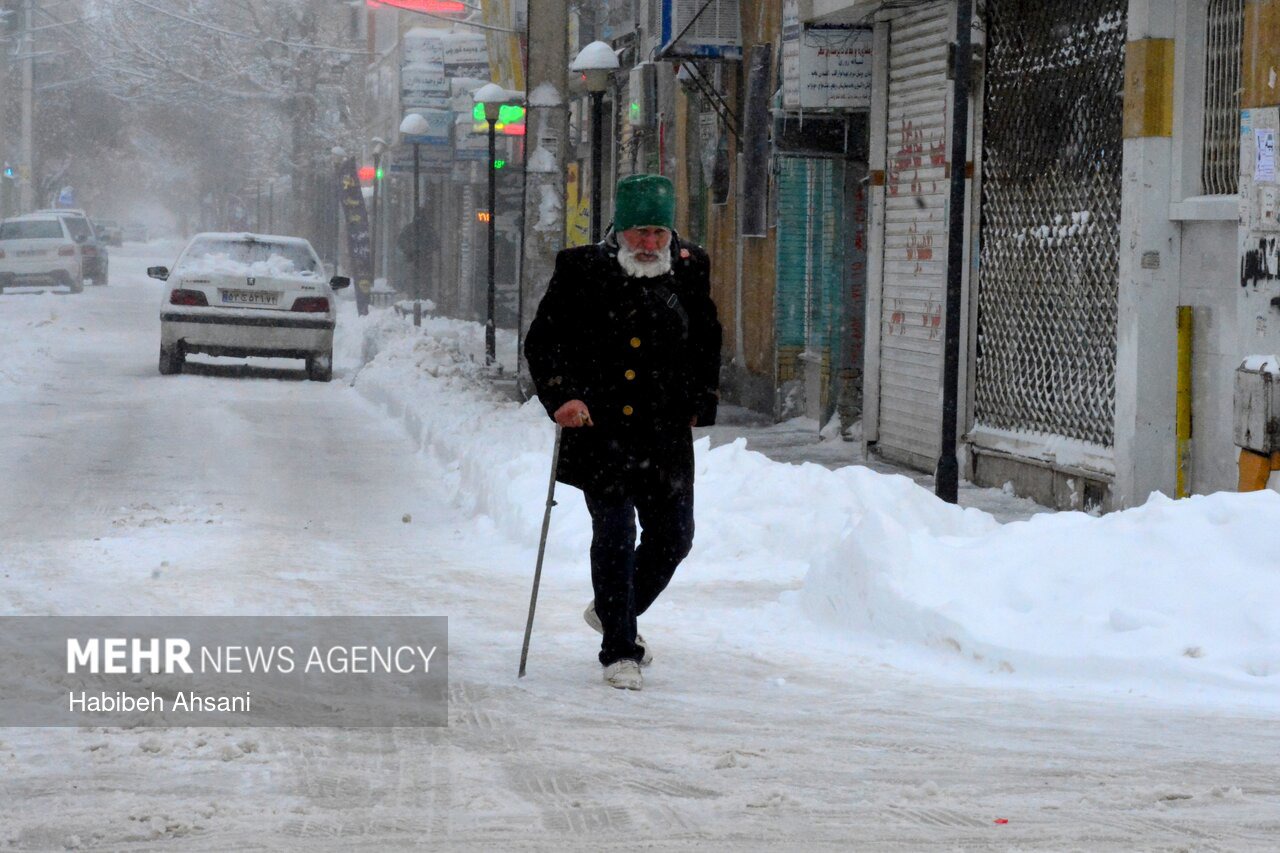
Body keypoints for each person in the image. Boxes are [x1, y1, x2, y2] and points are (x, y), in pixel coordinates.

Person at [524, 174, 722, 691]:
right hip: (601, 428)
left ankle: (615, 609)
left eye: (659, 232)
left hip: (663, 430)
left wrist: (703, 396)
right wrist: (562, 397)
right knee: (614, 534)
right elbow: (544, 342)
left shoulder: (689, 267)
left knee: (675, 538)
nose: (650, 243)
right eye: (640, 233)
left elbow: (705, 335)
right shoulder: (581, 269)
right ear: (620, 231)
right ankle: (619, 649)